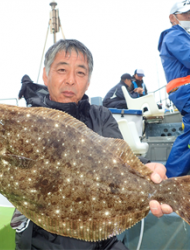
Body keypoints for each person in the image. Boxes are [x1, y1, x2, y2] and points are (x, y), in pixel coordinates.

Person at [11, 39, 173, 250]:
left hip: (101, 240)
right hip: (41, 239)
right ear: (45, 75)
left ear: (88, 82)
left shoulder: (100, 116)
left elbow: (120, 162)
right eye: (62, 69)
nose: (71, 80)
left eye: (80, 73)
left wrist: (146, 170)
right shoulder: (25, 121)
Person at [158, 0, 190, 177]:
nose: (189, 18)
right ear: (173, 18)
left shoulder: (184, 36)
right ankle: (170, 178)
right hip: (186, 91)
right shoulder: (174, 35)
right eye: (186, 14)